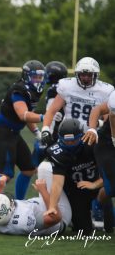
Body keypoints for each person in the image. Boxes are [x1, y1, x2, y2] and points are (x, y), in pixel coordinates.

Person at [0, 60, 45, 222]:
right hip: (2, 133)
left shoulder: (33, 91)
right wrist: (45, 116)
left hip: (14, 133)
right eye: (35, 77)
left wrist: (37, 132)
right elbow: (23, 114)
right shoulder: (18, 90)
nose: (38, 81)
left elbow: (28, 115)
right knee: (5, 174)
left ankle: (19, 205)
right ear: (26, 76)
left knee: (29, 169)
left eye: (41, 77)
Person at [44, 118, 103, 235]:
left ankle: (103, 214)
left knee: (107, 192)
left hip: (99, 184)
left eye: (73, 141)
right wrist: (52, 206)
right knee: (84, 230)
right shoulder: (58, 153)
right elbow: (57, 183)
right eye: (67, 141)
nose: (70, 144)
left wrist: (94, 184)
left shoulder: (92, 144)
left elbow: (110, 173)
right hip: (76, 190)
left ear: (81, 136)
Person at [41, 57, 114, 146]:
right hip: (69, 134)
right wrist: (45, 128)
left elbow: (108, 118)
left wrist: (99, 123)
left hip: (92, 136)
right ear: (77, 74)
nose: (86, 78)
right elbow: (52, 111)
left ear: (96, 75)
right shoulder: (67, 86)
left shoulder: (105, 90)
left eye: (89, 75)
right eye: (83, 75)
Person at [0, 163, 72, 236]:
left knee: (44, 169)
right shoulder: (25, 221)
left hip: (43, 206)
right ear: (11, 209)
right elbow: (56, 218)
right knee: (45, 167)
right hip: (61, 215)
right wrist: (43, 191)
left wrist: (0, 186)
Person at [82, 91, 115, 232]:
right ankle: (97, 206)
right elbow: (101, 110)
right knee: (112, 189)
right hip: (108, 143)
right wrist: (92, 129)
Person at [31, 61, 68, 166]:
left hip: (54, 132)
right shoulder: (65, 87)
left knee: (31, 167)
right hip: (60, 130)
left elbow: (51, 111)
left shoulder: (54, 89)